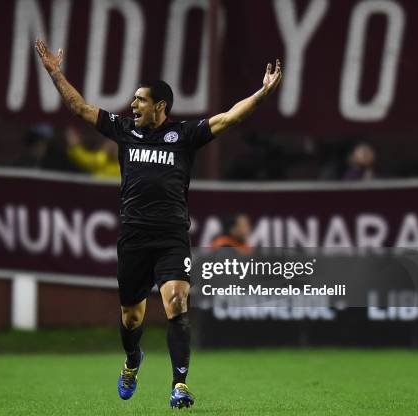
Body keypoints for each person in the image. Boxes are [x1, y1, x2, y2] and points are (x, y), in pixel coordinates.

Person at [35, 39, 282, 409]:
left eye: (140, 99)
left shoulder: (183, 136)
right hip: (133, 237)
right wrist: (55, 73)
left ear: (160, 106)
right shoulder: (123, 129)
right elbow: (80, 108)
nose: (132, 105)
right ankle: (133, 360)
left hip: (171, 237)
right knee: (132, 319)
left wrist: (262, 93)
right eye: (133, 99)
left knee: (177, 301)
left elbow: (230, 117)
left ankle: (179, 385)